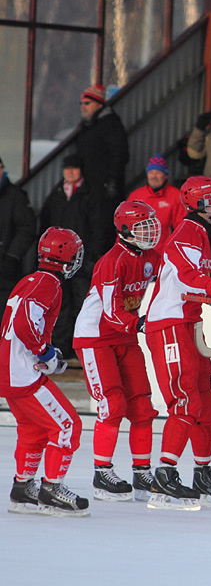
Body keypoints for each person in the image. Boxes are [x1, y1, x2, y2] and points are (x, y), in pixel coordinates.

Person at [143, 176, 211, 510]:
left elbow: (191, 288)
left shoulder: (201, 233)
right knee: (185, 399)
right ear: (199, 204)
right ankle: (165, 474)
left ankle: (202, 473)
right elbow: (189, 277)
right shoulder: (189, 231)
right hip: (170, 326)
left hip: (189, 323)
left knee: (206, 403)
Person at [72, 201, 161, 502]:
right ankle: (102, 472)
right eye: (142, 226)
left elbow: (172, 281)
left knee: (142, 404)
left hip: (124, 336)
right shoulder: (112, 261)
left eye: (151, 223)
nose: (150, 230)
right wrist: (142, 323)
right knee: (112, 404)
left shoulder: (150, 256)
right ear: (124, 230)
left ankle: (142, 470)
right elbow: (111, 312)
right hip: (96, 337)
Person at [3, 227, 90, 516]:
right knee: (68, 425)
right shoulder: (49, 284)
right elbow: (26, 325)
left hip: (10, 369)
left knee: (33, 428)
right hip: (23, 373)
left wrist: (45, 353)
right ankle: (51, 489)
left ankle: (22, 487)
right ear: (66, 257)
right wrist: (45, 353)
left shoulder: (30, 279)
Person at [40, 154, 107, 360]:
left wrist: (91, 258)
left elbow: (99, 229)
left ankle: (81, 348)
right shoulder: (57, 194)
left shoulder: (92, 194)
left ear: (81, 171)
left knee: (82, 304)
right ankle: (61, 348)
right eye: (66, 168)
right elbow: (45, 225)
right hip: (58, 262)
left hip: (82, 261)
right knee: (59, 304)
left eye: (74, 168)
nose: (69, 172)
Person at [75, 84, 129, 202]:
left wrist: (111, 181)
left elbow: (119, 154)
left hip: (103, 190)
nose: (83, 107)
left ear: (99, 105)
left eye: (87, 103)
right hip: (89, 188)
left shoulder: (111, 124)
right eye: (81, 103)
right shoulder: (85, 126)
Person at [126, 155, 186, 254]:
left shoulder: (176, 196)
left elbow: (182, 230)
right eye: (151, 172)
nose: (154, 176)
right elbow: (125, 226)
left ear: (165, 175)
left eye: (158, 172)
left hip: (164, 254)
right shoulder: (136, 195)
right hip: (138, 252)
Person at [0, 156, 37, 312]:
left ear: (2, 169)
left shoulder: (15, 196)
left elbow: (27, 228)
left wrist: (12, 257)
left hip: (5, 271)